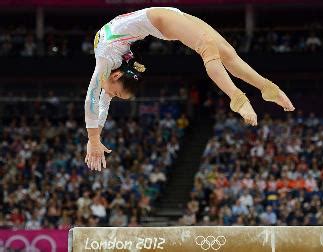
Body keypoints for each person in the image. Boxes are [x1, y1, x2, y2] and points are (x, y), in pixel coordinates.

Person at [85, 7, 295, 171]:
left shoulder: (106, 60)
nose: (109, 95)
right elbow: (102, 102)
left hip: (161, 19)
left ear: (117, 76)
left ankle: (246, 96)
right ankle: (262, 90)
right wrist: (95, 138)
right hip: (165, 16)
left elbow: (92, 99)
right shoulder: (114, 69)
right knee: (219, 51)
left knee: (220, 52)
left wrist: (94, 140)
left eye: (115, 93)